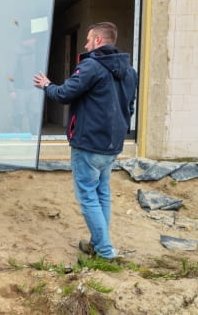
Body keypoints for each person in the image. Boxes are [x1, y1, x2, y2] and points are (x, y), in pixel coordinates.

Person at [33, 22, 137, 260]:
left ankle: (105, 251)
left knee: (88, 195)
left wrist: (46, 85)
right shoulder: (130, 71)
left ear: (99, 41)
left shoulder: (91, 66)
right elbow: (128, 107)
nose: (86, 44)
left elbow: (64, 94)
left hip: (88, 144)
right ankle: (97, 243)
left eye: (89, 40)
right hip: (111, 145)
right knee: (102, 192)